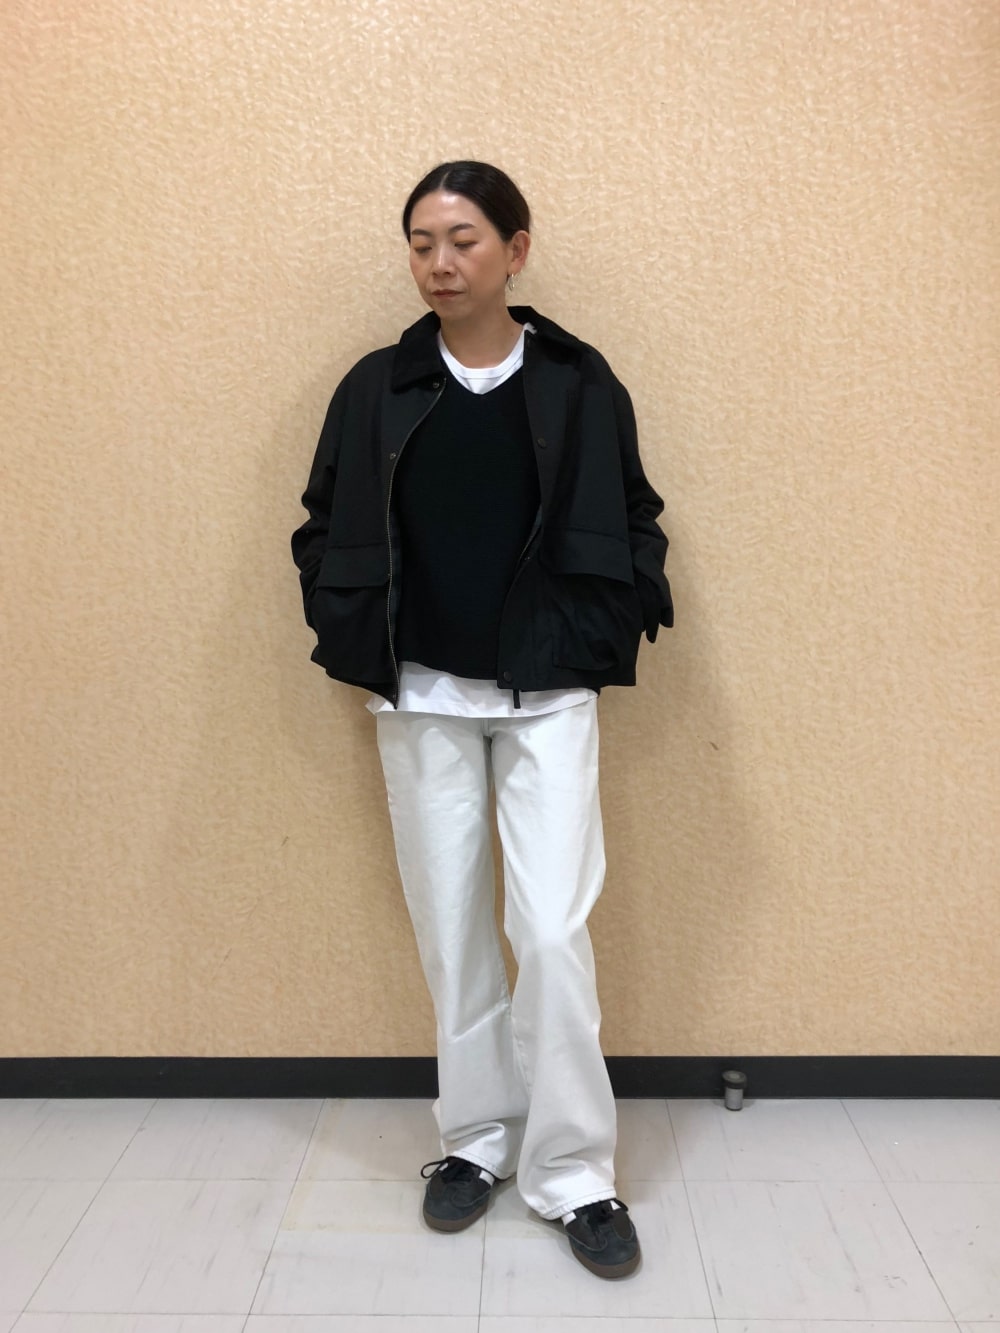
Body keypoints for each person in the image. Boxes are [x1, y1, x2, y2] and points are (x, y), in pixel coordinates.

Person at [291, 161, 673, 1279]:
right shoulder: (376, 386)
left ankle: (575, 1173)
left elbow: (635, 513)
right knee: (452, 928)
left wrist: (617, 614)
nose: (439, 263)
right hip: (421, 690)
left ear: (516, 248)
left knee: (550, 931)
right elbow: (321, 519)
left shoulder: (576, 381)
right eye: (421, 243)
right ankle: (473, 1142)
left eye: (462, 240)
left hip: (548, 690)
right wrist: (341, 616)